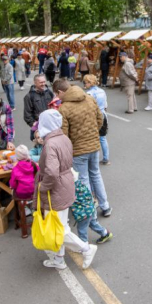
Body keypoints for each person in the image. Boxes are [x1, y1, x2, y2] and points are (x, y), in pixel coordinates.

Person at [34, 109, 97, 270]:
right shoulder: (63, 138)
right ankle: (59, 259)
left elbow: (52, 172)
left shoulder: (50, 144)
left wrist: (43, 187)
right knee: (60, 224)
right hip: (66, 183)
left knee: (59, 229)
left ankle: (86, 249)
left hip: (56, 189)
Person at [53, 79, 112, 218]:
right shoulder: (89, 99)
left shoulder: (64, 108)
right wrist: (92, 133)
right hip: (94, 145)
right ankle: (105, 206)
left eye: (57, 94)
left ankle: (90, 212)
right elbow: (100, 119)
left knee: (84, 179)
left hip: (78, 149)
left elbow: (65, 135)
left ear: (61, 92)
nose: (57, 97)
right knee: (96, 175)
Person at [70, 168, 112, 244]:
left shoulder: (71, 189)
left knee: (81, 229)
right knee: (92, 223)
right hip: (90, 208)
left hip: (82, 213)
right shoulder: (80, 184)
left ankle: (84, 247)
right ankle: (105, 233)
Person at [83, 74, 110, 165]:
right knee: (102, 138)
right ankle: (106, 158)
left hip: (94, 117)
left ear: (90, 83)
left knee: (93, 138)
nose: (84, 85)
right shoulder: (102, 91)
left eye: (85, 83)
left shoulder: (89, 93)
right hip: (103, 115)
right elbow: (106, 105)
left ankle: (94, 160)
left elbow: (87, 107)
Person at [24, 74, 55, 141]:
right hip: (39, 127)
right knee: (40, 149)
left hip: (51, 125)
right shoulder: (29, 96)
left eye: (44, 81)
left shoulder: (49, 92)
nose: (43, 84)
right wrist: (33, 124)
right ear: (35, 83)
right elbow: (27, 114)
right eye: (41, 82)